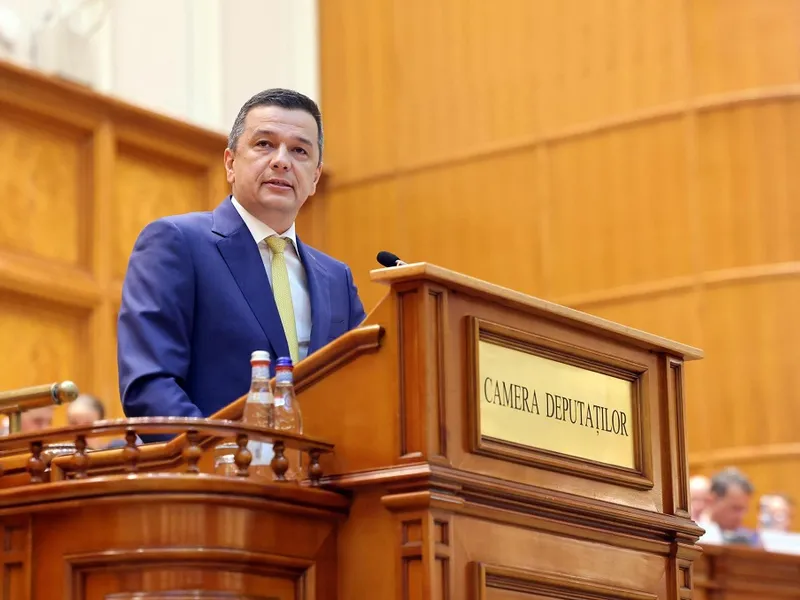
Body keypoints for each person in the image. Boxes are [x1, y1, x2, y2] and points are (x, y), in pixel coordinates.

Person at [117, 88, 366, 425]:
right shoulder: (177, 242)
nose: (282, 161)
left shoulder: (337, 279)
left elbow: (363, 387)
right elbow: (150, 384)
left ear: (315, 178)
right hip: (216, 456)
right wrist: (222, 451)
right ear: (230, 163)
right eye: (264, 144)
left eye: (299, 151)